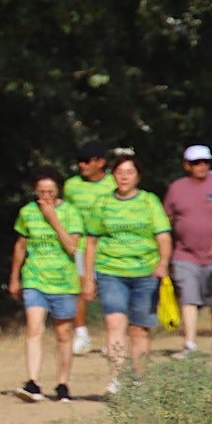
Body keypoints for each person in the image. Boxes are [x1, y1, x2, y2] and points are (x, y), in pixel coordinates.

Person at [81, 153, 171, 394]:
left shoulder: (149, 201)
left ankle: (140, 381)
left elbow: (163, 235)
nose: (124, 177)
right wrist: (89, 278)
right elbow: (90, 242)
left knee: (139, 328)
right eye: (120, 172)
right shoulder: (102, 203)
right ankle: (117, 380)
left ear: (138, 176)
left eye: (129, 172)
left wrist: (163, 262)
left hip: (145, 273)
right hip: (111, 271)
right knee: (114, 324)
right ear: (113, 176)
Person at [8, 167, 84, 403]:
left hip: (63, 281)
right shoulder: (27, 212)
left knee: (63, 333)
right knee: (34, 328)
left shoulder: (71, 213)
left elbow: (72, 247)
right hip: (35, 277)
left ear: (58, 190)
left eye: (50, 191)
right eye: (41, 192)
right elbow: (20, 245)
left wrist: (53, 219)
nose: (46, 196)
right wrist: (15, 277)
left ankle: (63, 383)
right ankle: (33, 382)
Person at [163, 144, 212, 359]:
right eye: (196, 162)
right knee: (188, 297)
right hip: (184, 254)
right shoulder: (176, 188)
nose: (202, 166)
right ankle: (190, 344)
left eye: (205, 162)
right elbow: (166, 220)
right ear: (187, 165)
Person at [63, 141, 114, 357]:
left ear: (100, 162)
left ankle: (112, 336)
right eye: (79, 161)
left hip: (109, 246)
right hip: (82, 245)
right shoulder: (71, 186)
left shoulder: (113, 184)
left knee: (111, 292)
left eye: (86, 161)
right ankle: (82, 334)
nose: (81, 165)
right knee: (81, 289)